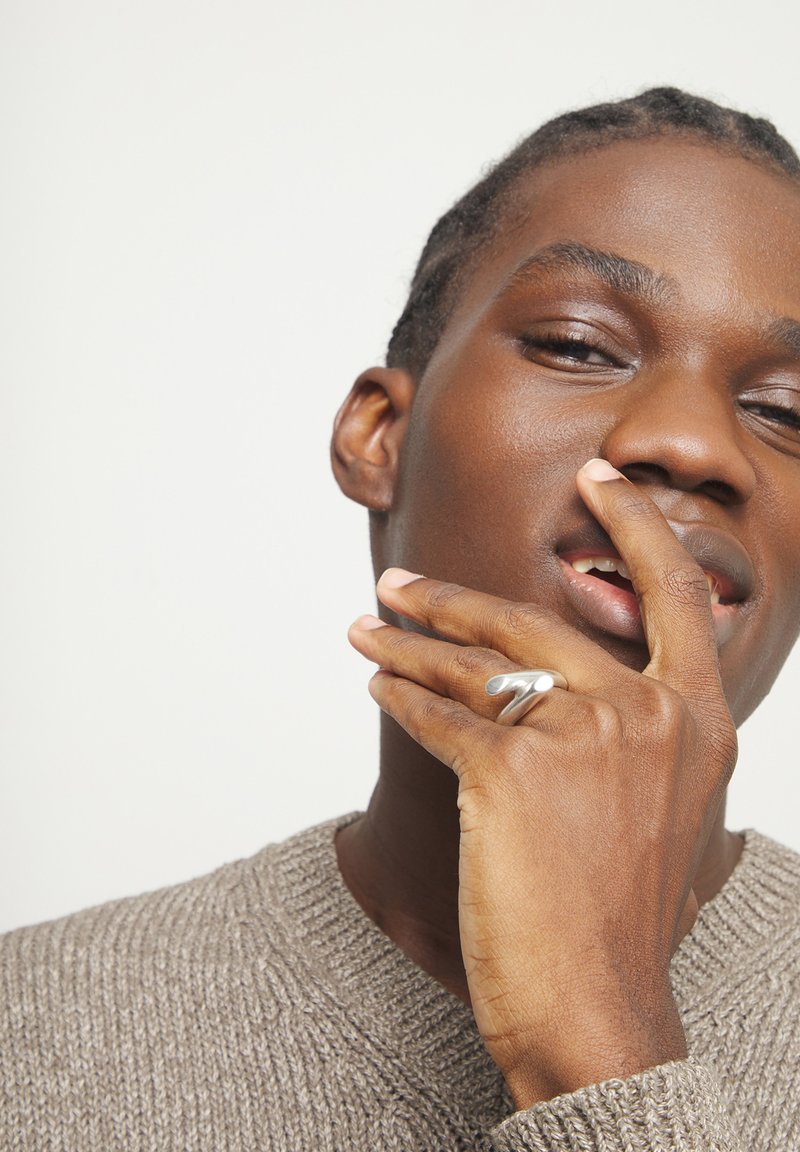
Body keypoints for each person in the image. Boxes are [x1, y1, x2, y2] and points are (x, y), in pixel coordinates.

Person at [3, 87, 800, 1151]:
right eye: (577, 344)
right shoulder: (32, 1031)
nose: (693, 446)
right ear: (379, 437)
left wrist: (602, 1047)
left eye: (784, 411)